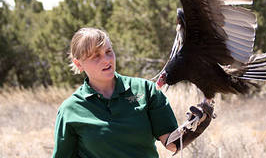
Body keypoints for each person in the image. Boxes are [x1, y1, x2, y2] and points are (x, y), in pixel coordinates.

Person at [52, 27, 213, 158]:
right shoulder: (70, 110)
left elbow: (172, 144)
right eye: (96, 56)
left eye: (108, 51)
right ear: (78, 64)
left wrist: (195, 126)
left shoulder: (146, 91)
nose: (106, 60)